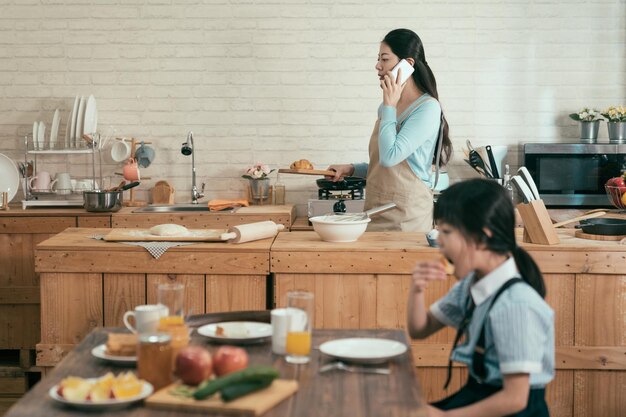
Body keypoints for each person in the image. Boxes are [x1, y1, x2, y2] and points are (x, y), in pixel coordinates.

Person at [407, 179, 554, 417]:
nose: (439, 240)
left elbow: (515, 398)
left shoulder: (516, 305)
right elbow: (419, 330)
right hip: (480, 396)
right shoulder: (470, 285)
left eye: (446, 231)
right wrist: (417, 289)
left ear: (482, 236)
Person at [328, 28, 452, 232]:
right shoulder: (387, 107)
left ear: (408, 64)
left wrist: (389, 106)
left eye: (384, 59)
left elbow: (390, 157)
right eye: (378, 59)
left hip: (408, 218)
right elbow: (385, 165)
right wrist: (350, 169)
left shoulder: (427, 108)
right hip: (375, 211)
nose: (378, 66)